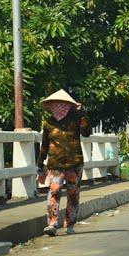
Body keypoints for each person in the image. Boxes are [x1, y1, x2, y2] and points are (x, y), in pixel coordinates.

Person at [35, 89, 91, 237]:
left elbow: (86, 133)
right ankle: (52, 224)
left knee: (73, 194)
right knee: (54, 192)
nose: (59, 106)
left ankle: (70, 224)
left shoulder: (76, 120)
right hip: (55, 164)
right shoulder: (48, 123)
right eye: (56, 104)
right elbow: (44, 146)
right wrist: (40, 164)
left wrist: (83, 114)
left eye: (62, 104)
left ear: (69, 105)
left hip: (75, 163)